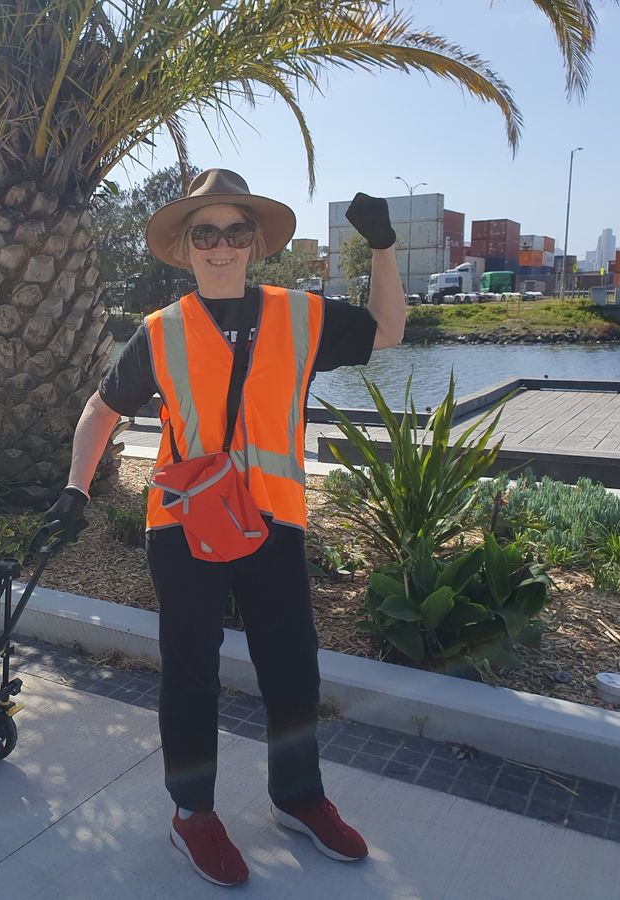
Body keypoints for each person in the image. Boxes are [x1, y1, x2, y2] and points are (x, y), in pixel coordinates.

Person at [45, 169, 405, 887]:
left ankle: (299, 797)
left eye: (233, 231)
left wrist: (384, 247)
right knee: (190, 673)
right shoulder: (160, 331)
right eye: (204, 232)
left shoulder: (302, 316)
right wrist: (74, 489)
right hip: (184, 523)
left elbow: (390, 332)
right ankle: (193, 817)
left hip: (273, 518)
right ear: (185, 246)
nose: (220, 245)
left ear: (253, 243)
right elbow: (100, 408)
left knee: (293, 666)